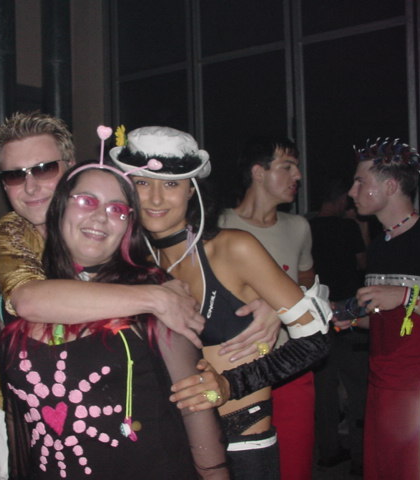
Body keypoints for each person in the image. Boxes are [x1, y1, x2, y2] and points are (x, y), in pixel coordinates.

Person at [0, 112, 230, 480]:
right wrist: (155, 298)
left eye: (44, 169)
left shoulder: (134, 252)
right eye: (15, 175)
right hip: (18, 410)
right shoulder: (13, 231)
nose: (30, 187)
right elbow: (28, 300)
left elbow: (197, 264)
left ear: (69, 168)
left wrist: (271, 311)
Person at [111, 126, 332, 479]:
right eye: (142, 182)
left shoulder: (233, 248)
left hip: (242, 445)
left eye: (171, 184)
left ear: (191, 189)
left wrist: (231, 384)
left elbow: (316, 340)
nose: (155, 198)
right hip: (168, 445)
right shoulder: (136, 265)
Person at [347, 138, 420, 480]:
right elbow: (391, 317)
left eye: (360, 181)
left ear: (390, 186)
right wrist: (348, 318)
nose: (352, 191)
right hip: (380, 388)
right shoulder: (379, 247)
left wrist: (409, 296)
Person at [218, 136, 317, 479]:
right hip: (234, 369)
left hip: (290, 367)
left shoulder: (299, 227)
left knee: (294, 465)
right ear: (258, 172)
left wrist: (285, 306)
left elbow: (307, 283)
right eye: (287, 167)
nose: (298, 175)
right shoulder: (217, 225)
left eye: (296, 167)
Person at [309, 178, 369, 475]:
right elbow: (363, 263)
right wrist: (361, 226)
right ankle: (360, 455)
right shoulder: (347, 228)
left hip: (318, 312)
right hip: (349, 310)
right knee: (358, 388)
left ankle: (328, 450)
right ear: (340, 200)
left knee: (324, 388)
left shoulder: (306, 227)